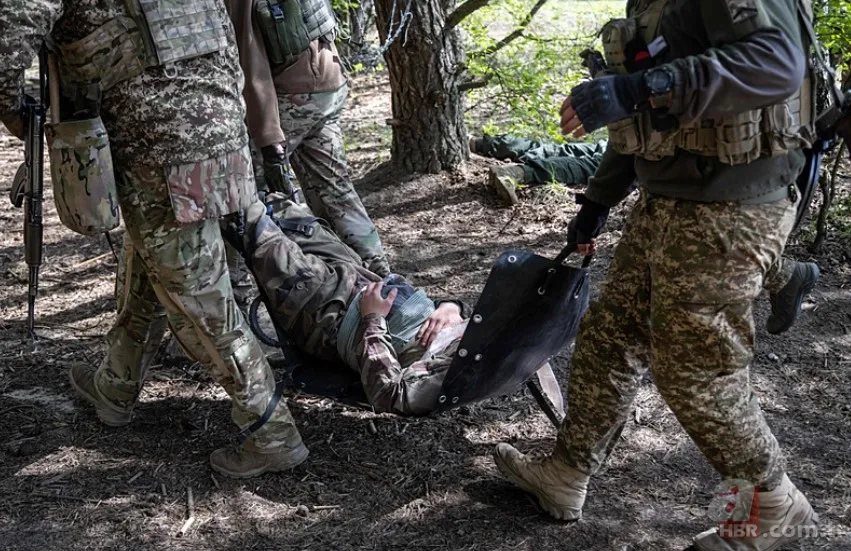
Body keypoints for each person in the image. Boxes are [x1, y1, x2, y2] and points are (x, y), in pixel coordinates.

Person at [492, 0, 821, 548]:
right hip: (668, 199)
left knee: (697, 372)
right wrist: (597, 202)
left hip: (732, 209)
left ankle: (772, 506)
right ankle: (566, 473)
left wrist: (639, 86)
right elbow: (643, 120)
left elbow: (776, 63)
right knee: (609, 338)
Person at [1, 0, 309, 480]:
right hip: (218, 125)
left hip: (158, 146)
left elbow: (7, 41)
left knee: (199, 299)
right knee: (157, 259)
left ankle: (273, 432)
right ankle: (116, 384)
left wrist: (22, 116)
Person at [473, 133, 820, 335]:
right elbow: (630, 134)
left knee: (699, 246)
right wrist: (594, 207)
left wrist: (596, 205)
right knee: (611, 335)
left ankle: (785, 274)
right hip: (673, 175)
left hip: (720, 178)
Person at [229, 194, 472, 416]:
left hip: (331, 314)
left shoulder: (463, 373)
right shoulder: (490, 336)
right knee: (283, 208)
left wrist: (373, 319)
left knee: (247, 217)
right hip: (362, 280)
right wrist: (453, 306)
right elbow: (468, 314)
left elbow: (392, 395)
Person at [224, 0, 390, 277]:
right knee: (336, 191)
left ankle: (239, 286)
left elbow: (251, 60)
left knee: (240, 195)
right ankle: (382, 279)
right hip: (328, 83)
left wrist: (268, 136)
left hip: (292, 96)